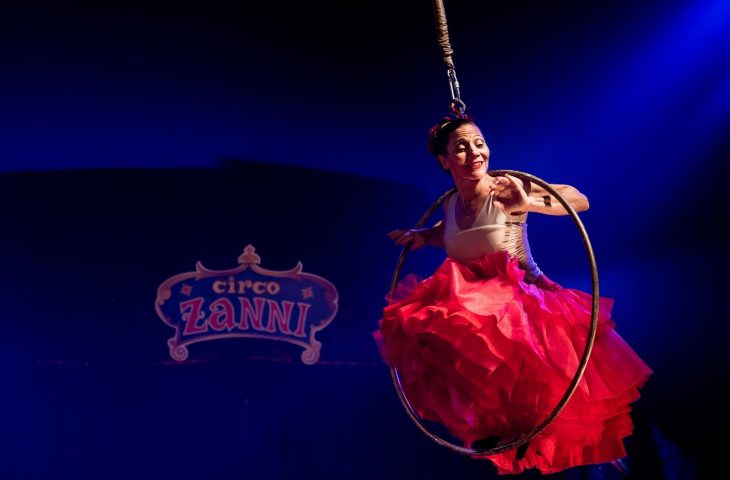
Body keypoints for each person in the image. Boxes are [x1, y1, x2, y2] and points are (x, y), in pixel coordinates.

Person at [374, 114, 652, 475]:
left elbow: (579, 200)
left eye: (479, 143)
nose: (475, 153)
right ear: (444, 161)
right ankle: (503, 429)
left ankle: (546, 440)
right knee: (423, 327)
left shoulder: (506, 186)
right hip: (478, 307)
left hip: (525, 301)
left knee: (515, 362)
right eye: (461, 148)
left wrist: (527, 203)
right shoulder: (451, 205)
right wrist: (425, 236)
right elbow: (455, 233)